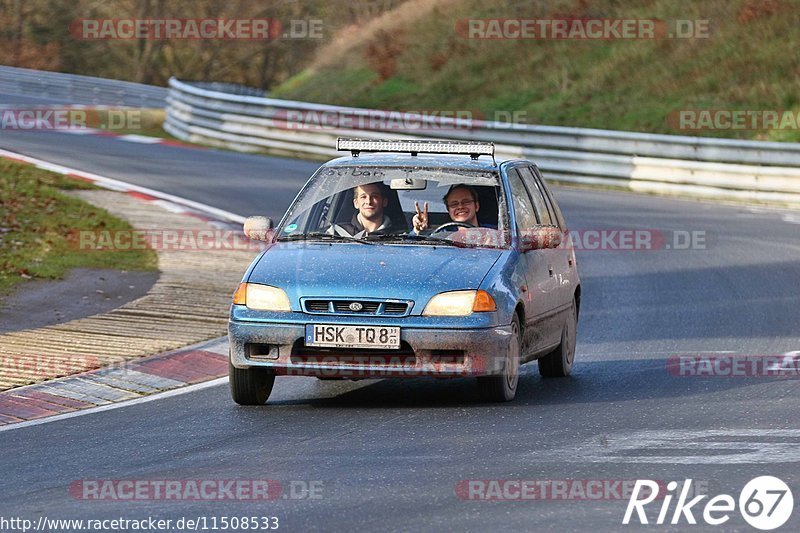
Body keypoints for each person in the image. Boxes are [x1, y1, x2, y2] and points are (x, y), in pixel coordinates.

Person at [328, 182, 395, 238]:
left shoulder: (400, 237)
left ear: (384, 202)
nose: (368, 202)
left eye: (374, 196)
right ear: (356, 203)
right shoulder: (335, 234)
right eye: (363, 197)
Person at [412, 184, 481, 233]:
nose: (460, 207)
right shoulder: (442, 235)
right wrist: (418, 230)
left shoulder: (490, 232)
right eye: (454, 204)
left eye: (466, 202)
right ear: (449, 210)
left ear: (476, 206)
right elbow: (412, 244)